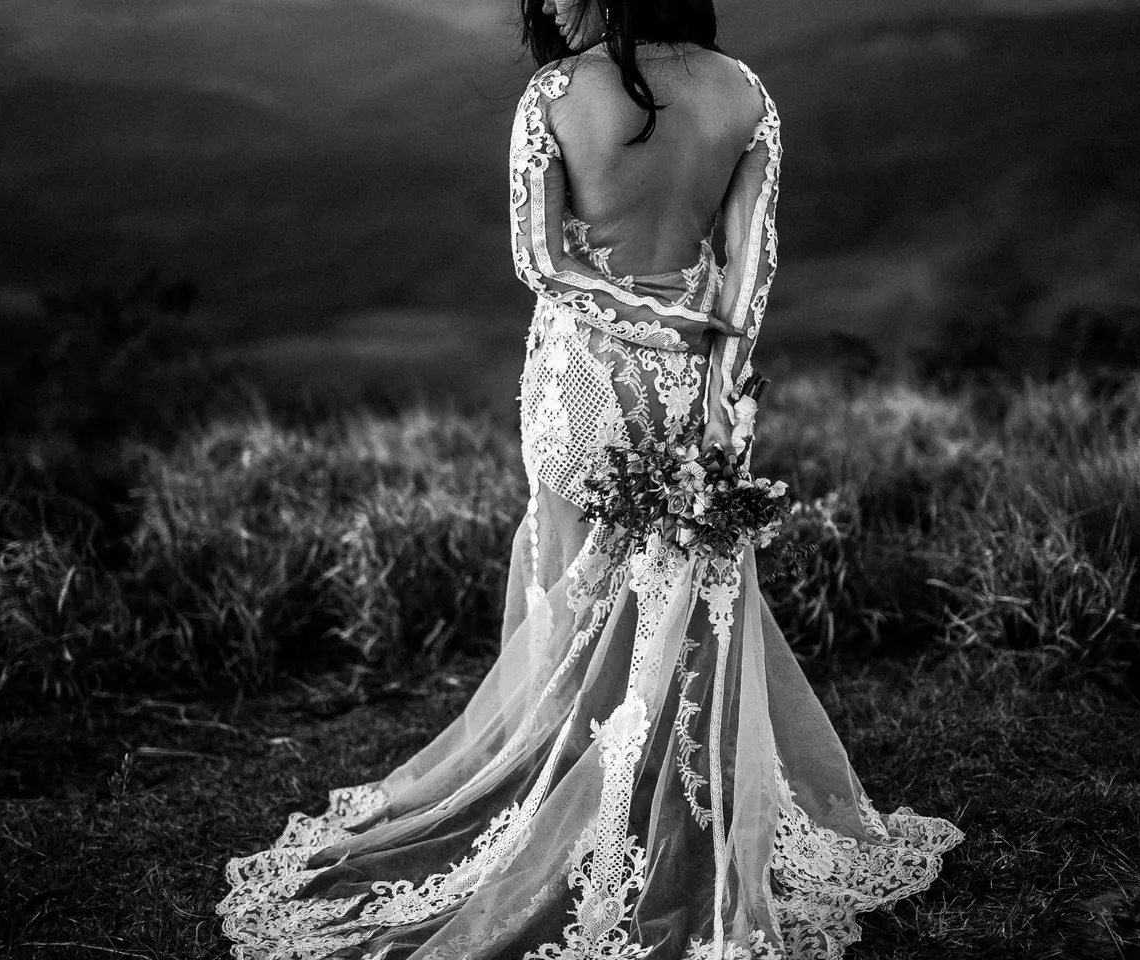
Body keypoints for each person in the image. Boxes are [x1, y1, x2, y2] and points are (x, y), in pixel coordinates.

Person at [216, 2, 964, 957]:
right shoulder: (747, 95)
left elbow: (541, 260)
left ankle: (570, 795)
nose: (551, 4)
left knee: (572, 575)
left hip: (584, 378)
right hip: (694, 382)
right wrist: (719, 373)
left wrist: (642, 325)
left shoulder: (556, 96)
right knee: (680, 585)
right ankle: (658, 799)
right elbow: (749, 267)